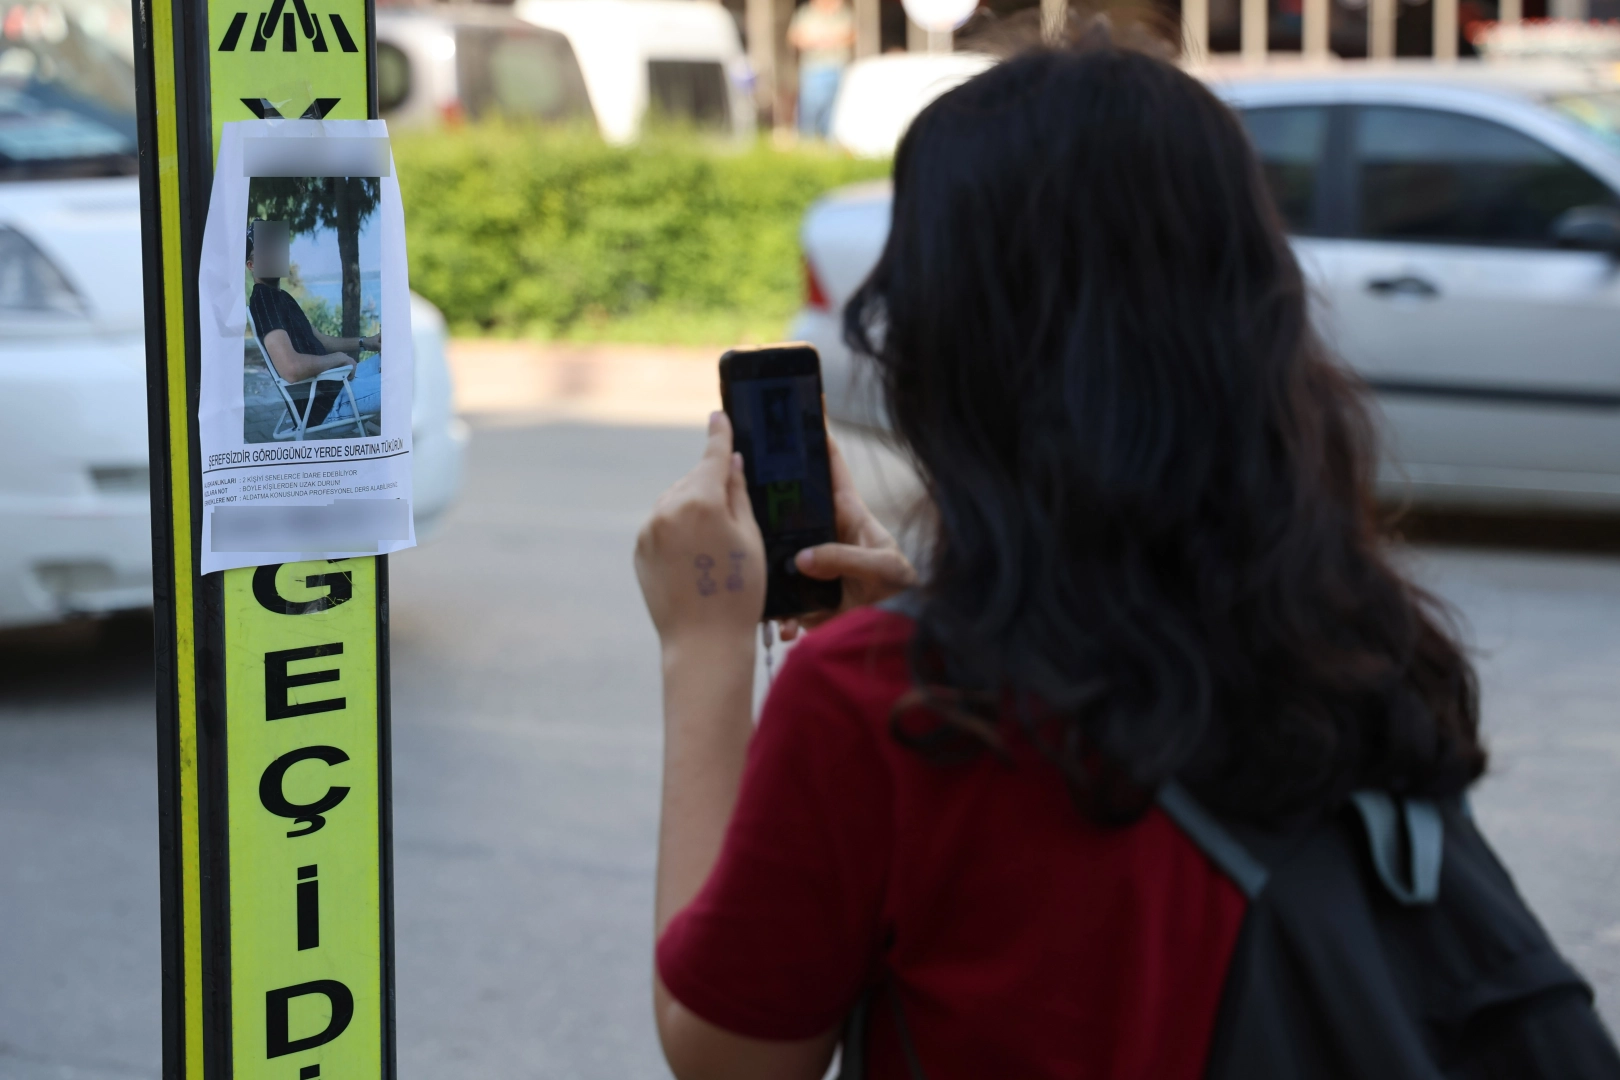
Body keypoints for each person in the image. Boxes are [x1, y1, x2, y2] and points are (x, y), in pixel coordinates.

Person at [633, 38, 1487, 1080]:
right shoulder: (1366, 647)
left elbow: (728, 1056)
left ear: (954, 342)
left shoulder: (882, 709)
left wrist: (708, 640)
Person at [246, 221, 381, 430]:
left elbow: (320, 340)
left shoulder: (282, 297)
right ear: (251, 265)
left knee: (395, 358)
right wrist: (337, 360)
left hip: (336, 385)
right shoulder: (264, 301)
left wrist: (366, 342)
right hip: (327, 404)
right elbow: (290, 369)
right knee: (405, 380)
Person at [788, 0, 854, 138]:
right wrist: (815, 42)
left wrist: (833, 39)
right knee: (810, 108)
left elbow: (852, 35)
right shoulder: (806, 13)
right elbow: (794, 37)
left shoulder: (842, 13)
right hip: (813, 68)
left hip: (837, 67)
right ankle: (807, 140)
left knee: (833, 110)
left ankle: (828, 141)